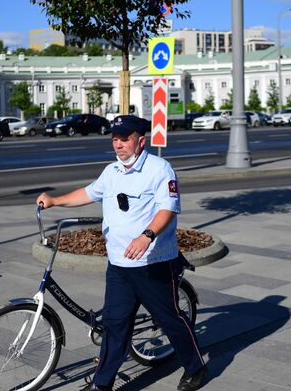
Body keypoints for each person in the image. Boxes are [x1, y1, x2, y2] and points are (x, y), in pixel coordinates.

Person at [36, 115, 208, 391]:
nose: (118, 144)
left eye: (124, 139)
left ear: (141, 140)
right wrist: (55, 200)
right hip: (118, 265)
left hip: (153, 263)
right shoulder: (112, 171)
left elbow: (167, 209)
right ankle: (103, 384)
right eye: (115, 139)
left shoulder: (159, 169)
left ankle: (196, 367)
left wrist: (147, 235)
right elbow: (88, 193)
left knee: (169, 320)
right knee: (115, 326)